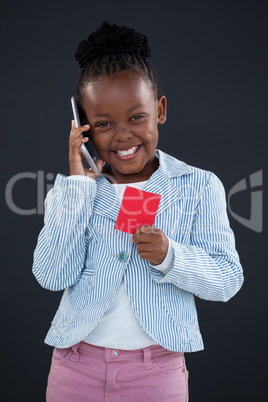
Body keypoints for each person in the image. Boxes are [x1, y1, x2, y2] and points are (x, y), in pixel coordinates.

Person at [32, 21, 244, 402]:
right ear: (83, 128)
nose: (123, 136)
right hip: (75, 366)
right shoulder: (74, 193)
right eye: (103, 124)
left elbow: (228, 279)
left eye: (136, 117)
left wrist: (171, 257)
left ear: (159, 109)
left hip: (156, 371)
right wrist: (78, 186)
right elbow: (51, 276)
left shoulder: (197, 186)